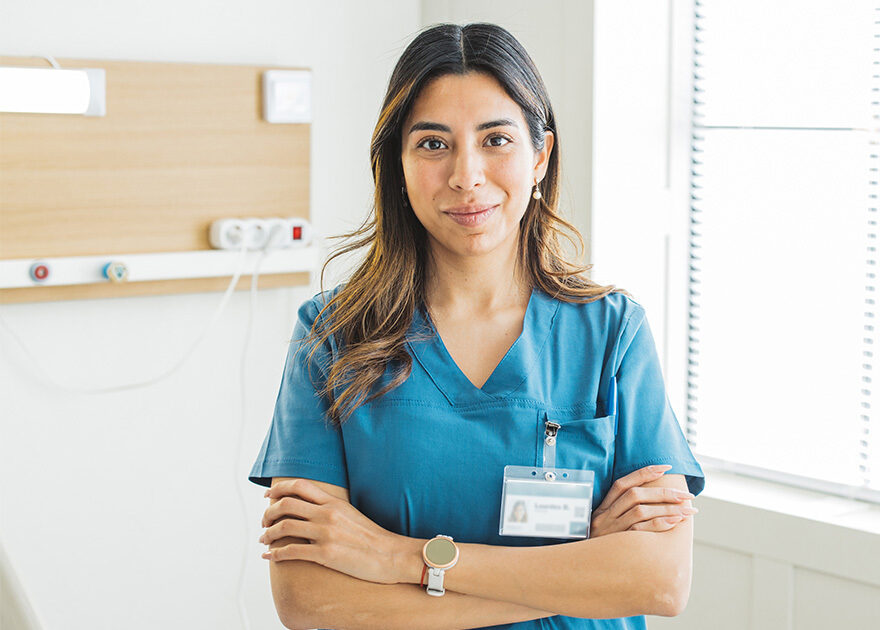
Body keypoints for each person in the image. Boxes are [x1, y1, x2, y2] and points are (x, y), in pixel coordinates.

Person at [248, 22, 704, 630]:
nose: (467, 175)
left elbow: (660, 581)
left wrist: (398, 558)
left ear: (540, 156)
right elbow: (309, 601)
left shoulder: (610, 335)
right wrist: (581, 574)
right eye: (433, 144)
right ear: (399, 165)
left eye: (496, 139)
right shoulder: (334, 336)